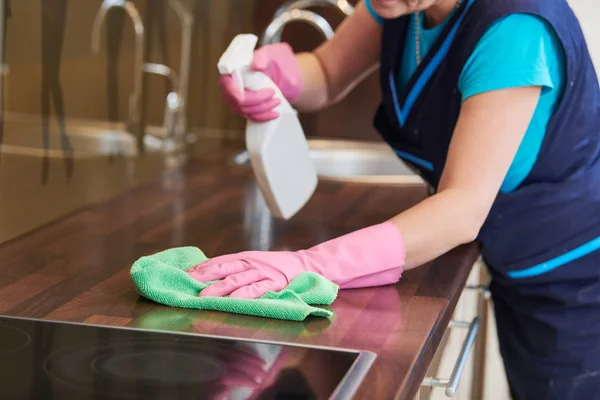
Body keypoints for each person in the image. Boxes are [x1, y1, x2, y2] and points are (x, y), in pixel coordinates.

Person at [187, 0, 600, 398]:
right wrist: (273, 76)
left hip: (576, 274)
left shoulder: (515, 28)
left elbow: (461, 208)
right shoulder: (402, 5)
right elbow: (328, 74)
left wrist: (308, 265)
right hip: (512, 247)